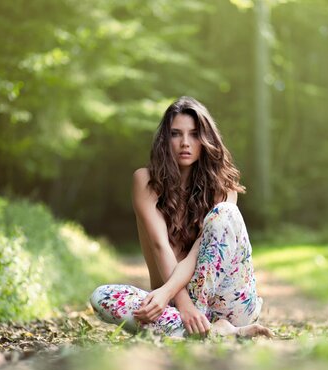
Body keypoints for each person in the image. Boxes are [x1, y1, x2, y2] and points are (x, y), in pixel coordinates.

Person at [90, 96, 271, 338]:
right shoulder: (145, 181)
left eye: (194, 134)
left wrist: (177, 300)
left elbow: (198, 255)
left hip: (229, 305)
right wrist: (180, 304)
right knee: (102, 296)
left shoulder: (223, 187)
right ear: (165, 140)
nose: (185, 143)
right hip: (176, 307)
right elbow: (159, 245)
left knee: (225, 213)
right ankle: (219, 334)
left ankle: (202, 329)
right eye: (176, 134)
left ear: (206, 139)